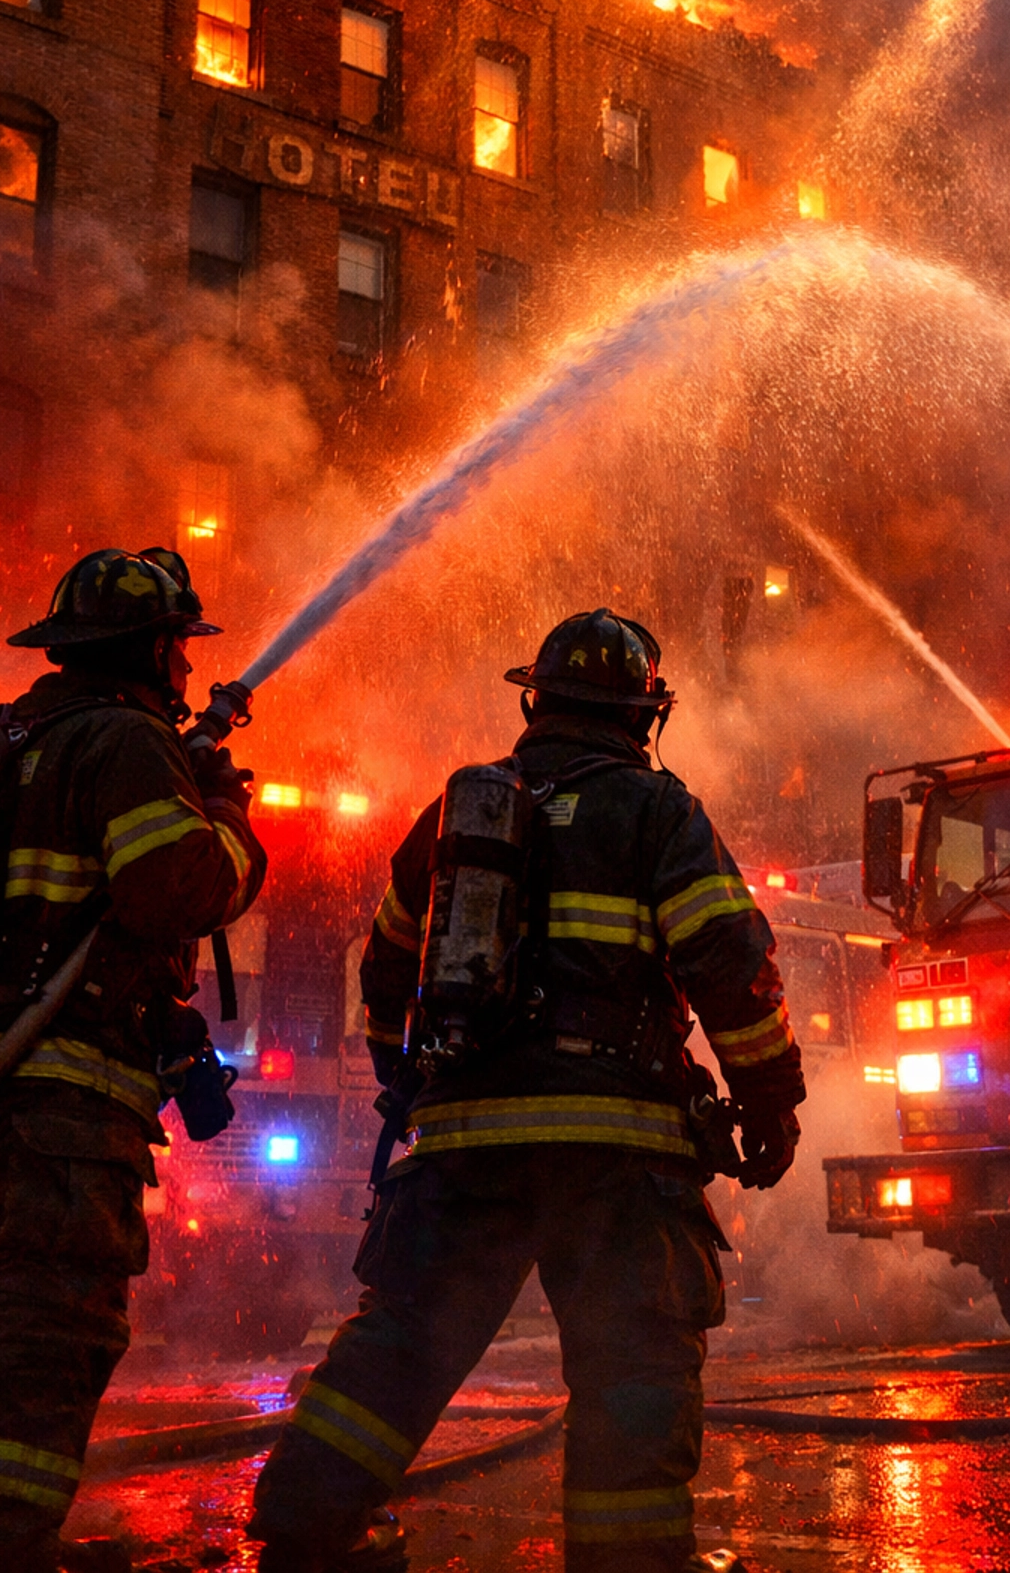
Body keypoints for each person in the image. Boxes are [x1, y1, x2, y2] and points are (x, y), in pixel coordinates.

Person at [249, 607, 804, 1573]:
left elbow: (385, 965)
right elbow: (728, 960)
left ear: (537, 700)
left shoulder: (462, 812)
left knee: (401, 1347)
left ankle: (305, 1530)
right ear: (645, 714)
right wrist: (770, 1098)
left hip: (467, 1150)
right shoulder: (657, 810)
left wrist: (411, 1080)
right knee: (633, 1366)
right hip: (616, 1157)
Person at [0, 546, 266, 1573]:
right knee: (46, 1323)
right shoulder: (124, 740)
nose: (187, 674)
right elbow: (176, 886)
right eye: (179, 653)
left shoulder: (11, 738)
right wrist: (230, 813)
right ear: (154, 648)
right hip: (54, 1086)